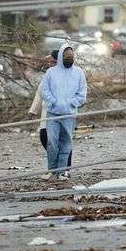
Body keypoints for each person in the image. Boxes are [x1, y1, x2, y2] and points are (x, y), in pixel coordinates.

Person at [41, 44, 87, 181]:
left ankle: (61, 172)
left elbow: (82, 93)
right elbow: (45, 90)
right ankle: (52, 170)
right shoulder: (51, 72)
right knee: (51, 142)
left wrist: (71, 104)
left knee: (66, 143)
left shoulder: (79, 73)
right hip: (53, 113)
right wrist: (53, 102)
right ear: (61, 57)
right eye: (67, 57)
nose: (69, 59)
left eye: (71, 57)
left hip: (69, 114)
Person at [28, 50, 72, 167]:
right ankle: (56, 166)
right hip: (46, 112)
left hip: (62, 113)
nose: (50, 64)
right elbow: (40, 93)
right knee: (44, 138)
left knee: (63, 141)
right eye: (50, 62)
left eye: (53, 62)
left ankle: (65, 168)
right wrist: (33, 110)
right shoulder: (48, 75)